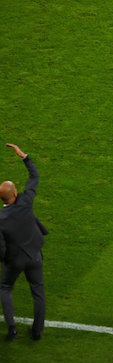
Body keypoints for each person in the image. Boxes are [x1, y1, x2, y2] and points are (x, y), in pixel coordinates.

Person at [1, 143, 48, 341]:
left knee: (4, 288)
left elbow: (1, 248)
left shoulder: (1, 219)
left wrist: (7, 260)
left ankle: (12, 328)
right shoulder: (26, 200)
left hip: (15, 260)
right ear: (15, 193)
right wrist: (24, 156)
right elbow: (34, 176)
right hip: (35, 254)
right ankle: (37, 331)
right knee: (38, 292)